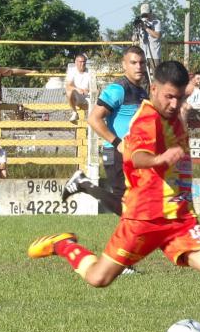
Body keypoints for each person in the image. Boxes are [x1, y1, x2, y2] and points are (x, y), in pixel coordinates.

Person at [28, 60, 200, 332]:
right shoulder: (146, 120)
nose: (174, 103)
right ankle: (64, 245)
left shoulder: (173, 114)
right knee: (98, 278)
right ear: (153, 89)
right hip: (144, 219)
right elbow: (138, 156)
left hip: (179, 219)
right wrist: (160, 159)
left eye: (179, 97)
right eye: (168, 96)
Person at [61, 46, 148, 216]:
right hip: (117, 153)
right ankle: (83, 184)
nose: (138, 66)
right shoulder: (118, 89)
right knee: (126, 208)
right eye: (133, 62)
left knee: (138, 206)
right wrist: (118, 143)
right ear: (124, 65)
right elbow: (94, 119)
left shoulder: (142, 92)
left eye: (142, 63)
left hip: (135, 154)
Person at [64, 53, 92, 124]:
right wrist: (77, 89)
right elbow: (68, 85)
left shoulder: (90, 72)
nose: (82, 64)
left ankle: (93, 118)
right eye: (80, 62)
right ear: (76, 62)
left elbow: (95, 86)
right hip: (76, 97)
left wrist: (88, 90)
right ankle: (74, 112)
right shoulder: (71, 71)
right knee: (69, 91)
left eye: (84, 62)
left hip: (88, 96)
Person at [133, 3, 162, 70]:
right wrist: (136, 30)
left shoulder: (156, 22)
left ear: (150, 12)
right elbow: (134, 39)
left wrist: (145, 28)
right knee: (143, 76)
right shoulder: (140, 22)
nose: (145, 16)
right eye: (143, 15)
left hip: (154, 54)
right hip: (143, 53)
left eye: (146, 14)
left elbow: (157, 35)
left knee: (157, 75)